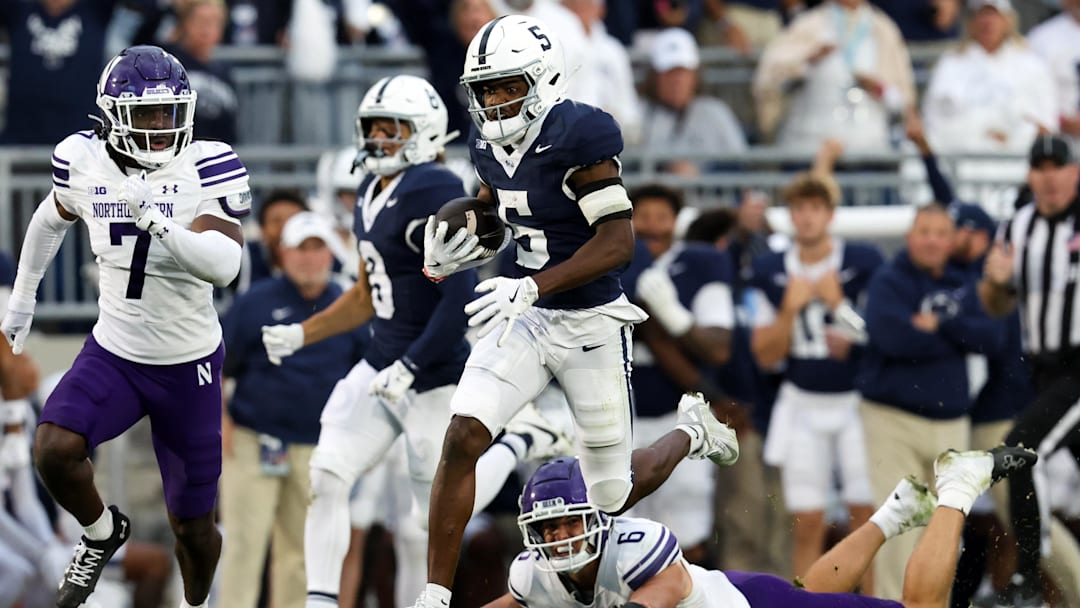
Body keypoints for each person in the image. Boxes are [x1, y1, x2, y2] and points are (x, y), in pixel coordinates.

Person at [413, 15, 739, 608]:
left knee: (610, 494)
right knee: (462, 434)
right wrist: (459, 249)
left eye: (507, 86)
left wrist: (532, 285)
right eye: (485, 89)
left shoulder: (580, 135)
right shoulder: (486, 141)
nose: (494, 101)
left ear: (543, 79)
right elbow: (496, 210)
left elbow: (617, 243)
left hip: (589, 318)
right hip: (529, 316)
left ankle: (694, 432)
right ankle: (434, 594)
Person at [0, 45, 250, 608]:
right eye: (147, 114)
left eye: (169, 112)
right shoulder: (83, 160)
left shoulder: (206, 163)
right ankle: (100, 532)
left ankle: (197, 602)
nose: (161, 127)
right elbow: (50, 217)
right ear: (112, 115)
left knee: (194, 531)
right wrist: (22, 299)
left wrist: (160, 225)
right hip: (116, 351)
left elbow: (225, 265)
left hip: (189, 364)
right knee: (53, 447)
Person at [261, 75, 474, 608]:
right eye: (373, 128)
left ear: (424, 132)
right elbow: (364, 293)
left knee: (424, 519)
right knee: (328, 473)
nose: (378, 138)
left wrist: (413, 363)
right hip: (382, 362)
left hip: (435, 375)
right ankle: (320, 601)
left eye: (391, 129)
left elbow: (458, 295)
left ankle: (521, 442)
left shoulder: (436, 188)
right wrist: (303, 333)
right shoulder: (370, 190)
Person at [480, 447, 1038, 608]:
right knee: (809, 594)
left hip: (747, 605)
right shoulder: (534, 577)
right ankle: (893, 514)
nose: (559, 538)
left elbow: (661, 594)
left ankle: (958, 486)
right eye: (548, 529)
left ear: (598, 517)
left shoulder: (634, 547)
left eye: (568, 522)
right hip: (742, 593)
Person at [220, 211, 366, 608]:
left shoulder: (349, 304)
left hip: (319, 448)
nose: (309, 257)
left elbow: (366, 371)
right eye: (301, 248)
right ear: (283, 253)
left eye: (317, 247)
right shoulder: (254, 302)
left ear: (330, 254)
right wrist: (221, 422)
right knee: (243, 546)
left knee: (303, 555)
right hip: (253, 440)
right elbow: (217, 366)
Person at [856, 204, 1003, 599]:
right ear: (910, 237)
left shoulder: (965, 281)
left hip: (951, 423)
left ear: (952, 239)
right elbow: (893, 338)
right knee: (897, 524)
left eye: (941, 233)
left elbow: (991, 338)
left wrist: (941, 325)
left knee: (945, 529)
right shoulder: (889, 280)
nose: (933, 241)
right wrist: (956, 338)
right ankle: (892, 606)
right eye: (925, 232)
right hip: (893, 420)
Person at [747, 166, 884, 589]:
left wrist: (839, 305)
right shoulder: (770, 268)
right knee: (807, 521)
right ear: (790, 214)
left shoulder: (862, 261)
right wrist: (790, 309)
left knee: (868, 520)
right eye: (799, 208)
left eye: (815, 208)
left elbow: (883, 338)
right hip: (802, 403)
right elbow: (764, 355)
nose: (807, 217)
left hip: (856, 404)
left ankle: (871, 601)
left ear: (830, 214)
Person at [979, 134, 1080, 606]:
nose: (1049, 177)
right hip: (1042, 371)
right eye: (1040, 167)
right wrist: (995, 282)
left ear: (1074, 172)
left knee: (1021, 450)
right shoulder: (1018, 225)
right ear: (1030, 175)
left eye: (1058, 166)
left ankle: (1028, 580)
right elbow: (997, 304)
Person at [628, 184, 736, 564]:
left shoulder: (700, 263)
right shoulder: (610, 259)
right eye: (643, 217)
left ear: (676, 222)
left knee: (687, 534)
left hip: (679, 416)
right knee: (618, 534)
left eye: (662, 217)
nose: (652, 226)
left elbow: (718, 348)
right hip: (617, 418)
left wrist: (674, 316)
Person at [752, 0, 915, 151]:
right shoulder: (808, 25)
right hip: (811, 143)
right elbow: (772, 84)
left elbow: (902, 100)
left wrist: (879, 88)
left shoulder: (883, 30)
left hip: (868, 145)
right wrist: (809, 62)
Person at [638, 28, 746, 177]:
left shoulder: (716, 112)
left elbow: (739, 165)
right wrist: (666, 170)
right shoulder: (637, 114)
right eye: (670, 72)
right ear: (655, 77)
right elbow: (628, 166)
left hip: (711, 191)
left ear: (695, 76)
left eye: (683, 72)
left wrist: (701, 176)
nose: (677, 81)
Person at [163, 0, 238, 144]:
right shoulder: (170, 64)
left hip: (215, 152)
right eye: (200, 21)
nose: (206, 29)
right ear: (185, 23)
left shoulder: (223, 71)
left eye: (214, 22)